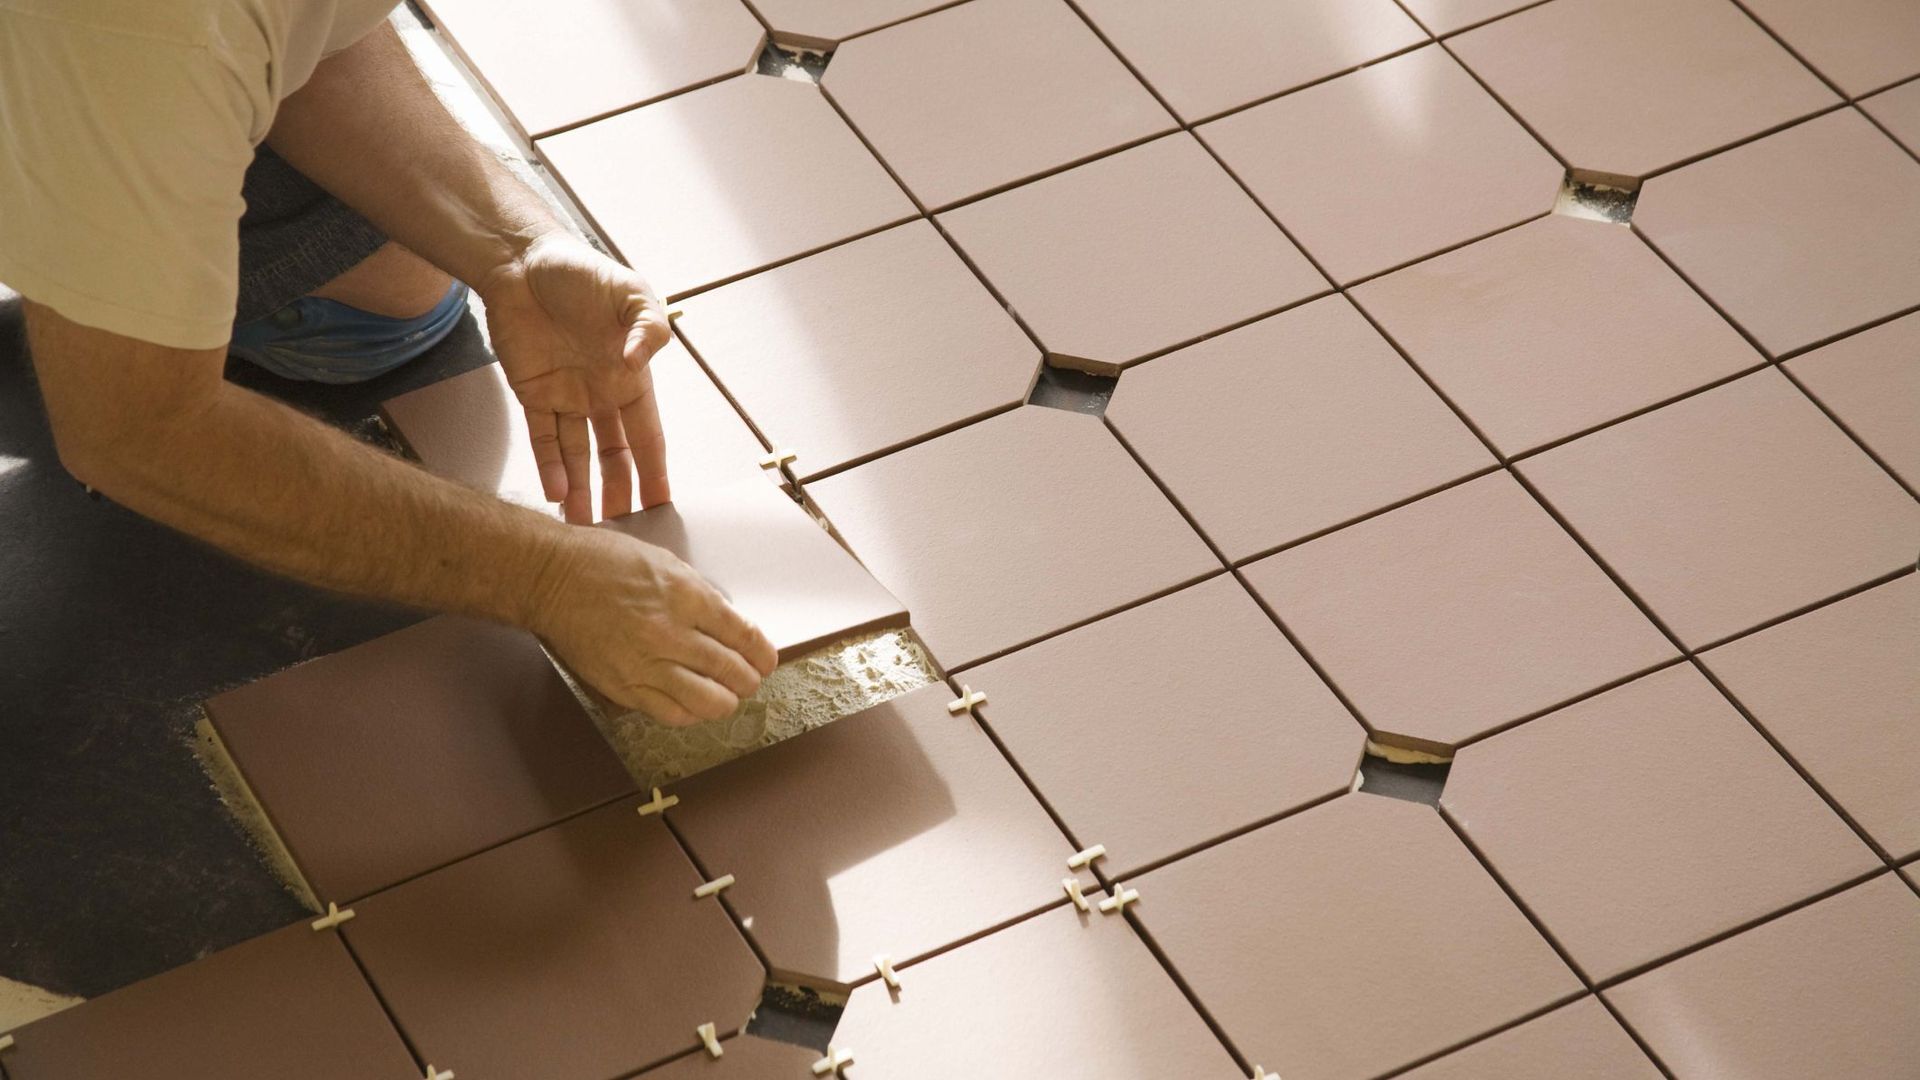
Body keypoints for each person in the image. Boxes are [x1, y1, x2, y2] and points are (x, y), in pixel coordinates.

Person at [0, 0, 778, 725]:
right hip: (107, 41)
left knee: (387, 298)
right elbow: (136, 429)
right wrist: (546, 577)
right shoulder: (146, 34)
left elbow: (307, 23)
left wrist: (515, 248)